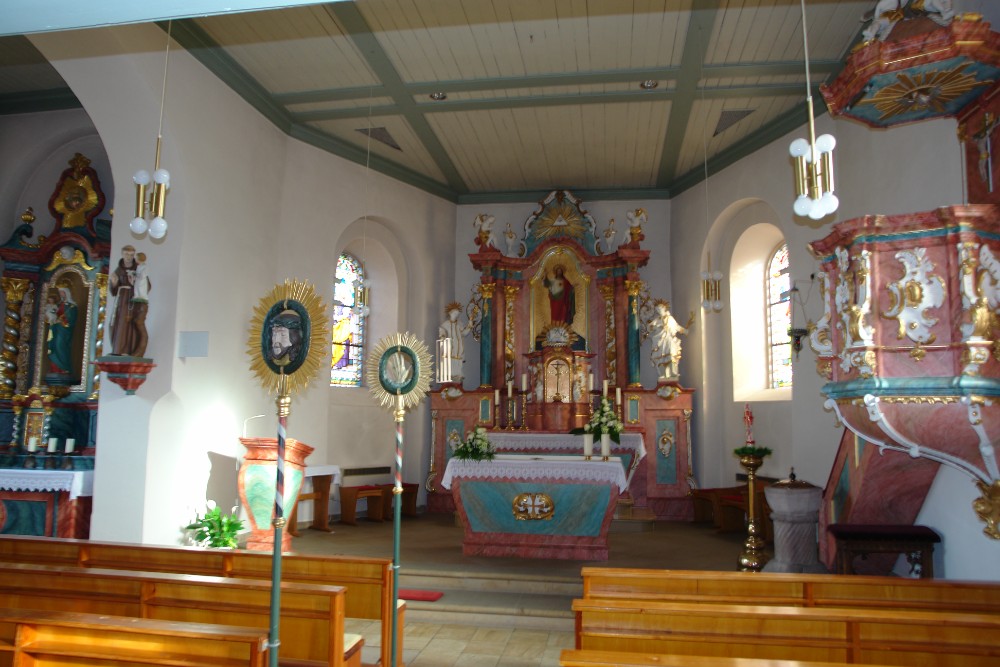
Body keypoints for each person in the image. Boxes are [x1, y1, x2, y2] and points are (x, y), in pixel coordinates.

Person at [649, 300, 689, 381]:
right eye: (657, 309)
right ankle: (663, 374)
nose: (658, 311)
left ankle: (673, 373)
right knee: (660, 358)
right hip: (660, 341)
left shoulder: (670, 318)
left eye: (659, 309)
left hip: (669, 340)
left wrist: (685, 331)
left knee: (671, 355)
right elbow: (650, 327)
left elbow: (676, 326)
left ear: (664, 308)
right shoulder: (657, 320)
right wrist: (656, 327)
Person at [108, 245, 137, 356]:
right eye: (126, 254)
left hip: (132, 300)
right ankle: (117, 349)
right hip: (121, 299)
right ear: (122, 254)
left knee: (128, 324)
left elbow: (146, 286)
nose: (129, 257)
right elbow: (113, 291)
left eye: (131, 255)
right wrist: (114, 283)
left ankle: (126, 349)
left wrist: (134, 282)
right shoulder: (118, 270)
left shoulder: (138, 269)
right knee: (116, 323)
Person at [46, 282, 77, 377]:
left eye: (62, 292)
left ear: (66, 292)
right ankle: (55, 369)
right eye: (59, 292)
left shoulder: (72, 306)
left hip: (64, 331)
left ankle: (64, 368)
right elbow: (52, 315)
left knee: (61, 346)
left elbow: (71, 319)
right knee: (54, 347)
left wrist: (62, 319)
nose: (61, 294)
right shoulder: (58, 305)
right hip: (55, 329)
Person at [438, 302, 471, 383]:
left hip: (458, 346)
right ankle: (449, 374)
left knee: (458, 360)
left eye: (457, 314)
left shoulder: (460, 324)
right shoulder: (445, 324)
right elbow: (442, 332)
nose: (456, 315)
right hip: (450, 345)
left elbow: (464, 333)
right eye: (455, 313)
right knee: (450, 360)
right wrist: (442, 337)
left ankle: (457, 374)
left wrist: (470, 324)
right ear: (450, 313)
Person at [129, 252, 151, 357]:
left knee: (139, 322)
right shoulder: (138, 267)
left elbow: (142, 276)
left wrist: (135, 274)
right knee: (137, 289)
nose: (135, 260)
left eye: (136, 258)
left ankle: (139, 351)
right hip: (138, 283)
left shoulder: (145, 267)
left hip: (141, 283)